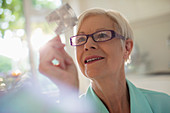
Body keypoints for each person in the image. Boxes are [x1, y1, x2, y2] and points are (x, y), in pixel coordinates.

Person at [39, 8, 170, 113]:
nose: (87, 45)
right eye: (80, 39)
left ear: (126, 47)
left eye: (102, 35)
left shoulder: (163, 104)